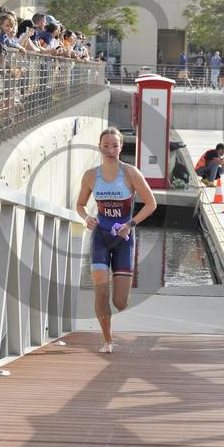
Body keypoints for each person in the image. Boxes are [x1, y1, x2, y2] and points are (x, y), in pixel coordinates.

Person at [76, 127, 157, 353]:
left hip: (124, 239)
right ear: (99, 147)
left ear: (121, 147)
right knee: (100, 291)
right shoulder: (91, 176)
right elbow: (80, 204)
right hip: (100, 238)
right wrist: (87, 218)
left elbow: (151, 204)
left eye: (115, 146)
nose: (110, 150)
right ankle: (107, 340)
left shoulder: (130, 173)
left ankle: (119, 287)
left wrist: (130, 224)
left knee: (120, 302)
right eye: (106, 146)